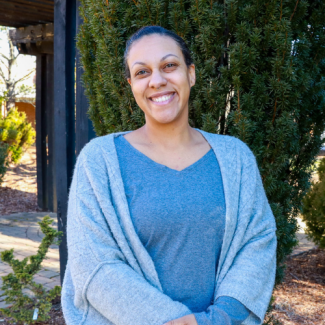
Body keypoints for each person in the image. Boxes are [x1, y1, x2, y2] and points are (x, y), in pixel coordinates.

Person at [61, 26, 277, 325]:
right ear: (131, 85)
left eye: (169, 65)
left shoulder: (235, 158)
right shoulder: (98, 161)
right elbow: (93, 262)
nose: (157, 81)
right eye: (142, 72)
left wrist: (217, 319)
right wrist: (170, 320)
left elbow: (258, 241)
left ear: (191, 74)